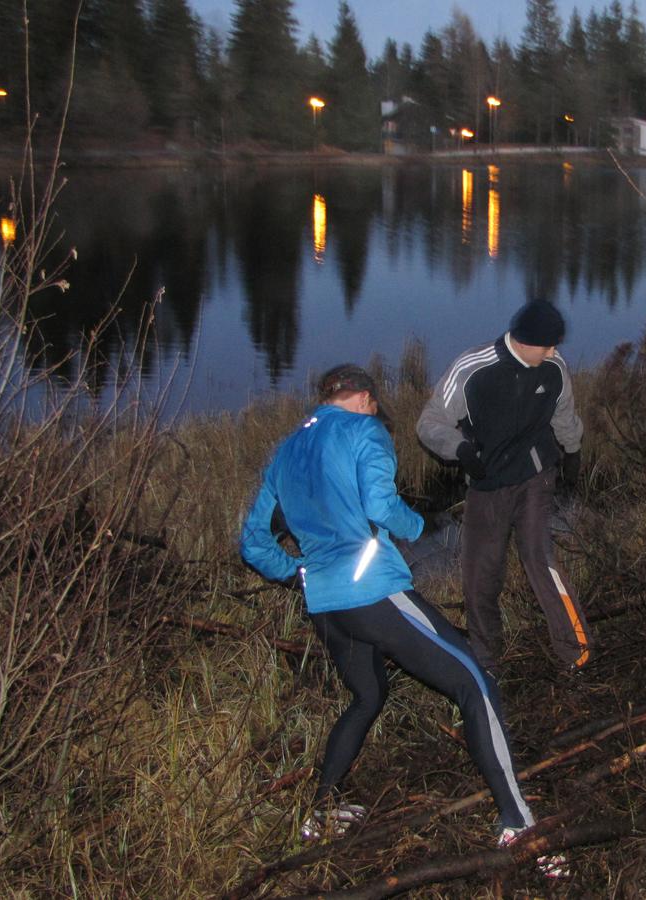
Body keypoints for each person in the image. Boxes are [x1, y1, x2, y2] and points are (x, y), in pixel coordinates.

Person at [240, 364, 562, 873]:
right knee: (474, 683)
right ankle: (517, 820)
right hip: (373, 593)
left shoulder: (285, 450)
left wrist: (297, 575)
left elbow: (253, 541)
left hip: (326, 603)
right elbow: (381, 505)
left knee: (367, 695)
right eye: (375, 405)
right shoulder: (365, 429)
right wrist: (420, 523)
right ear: (366, 398)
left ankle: (321, 810)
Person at [417, 299, 593, 676]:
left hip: (535, 475)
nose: (555, 352)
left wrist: (573, 452)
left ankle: (576, 651)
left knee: (540, 558)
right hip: (488, 482)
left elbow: (565, 416)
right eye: (548, 344)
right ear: (526, 340)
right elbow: (429, 422)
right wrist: (460, 449)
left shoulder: (554, 368)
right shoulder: (473, 367)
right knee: (480, 572)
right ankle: (487, 660)